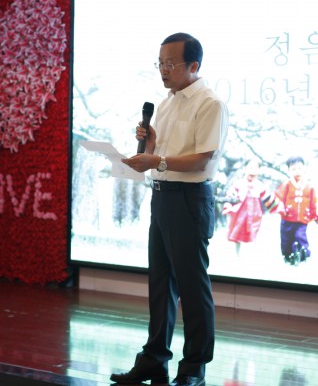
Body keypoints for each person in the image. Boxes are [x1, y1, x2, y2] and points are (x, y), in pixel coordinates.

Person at [116, 33, 229, 386]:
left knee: (192, 288)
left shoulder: (210, 103)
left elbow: (202, 159)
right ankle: (154, 359)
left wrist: (156, 160)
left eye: (170, 64)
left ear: (193, 66)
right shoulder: (167, 102)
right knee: (161, 283)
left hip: (189, 199)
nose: (163, 70)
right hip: (163, 196)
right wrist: (150, 145)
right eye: (160, 63)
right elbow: (164, 154)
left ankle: (194, 368)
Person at [272, 156, 318, 265]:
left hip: (302, 219)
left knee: (300, 237)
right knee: (286, 240)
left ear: (304, 169)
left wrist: (316, 216)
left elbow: (313, 202)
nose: (297, 172)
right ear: (288, 171)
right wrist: (281, 208)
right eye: (293, 169)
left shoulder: (309, 187)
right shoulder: (286, 184)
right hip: (287, 219)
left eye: (299, 168)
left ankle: (304, 257)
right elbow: (278, 198)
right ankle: (288, 259)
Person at [221, 159, 273, 256]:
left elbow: (269, 199)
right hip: (239, 213)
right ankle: (237, 255)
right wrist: (228, 206)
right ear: (245, 169)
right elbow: (230, 196)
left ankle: (249, 255)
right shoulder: (238, 184)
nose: (253, 170)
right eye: (250, 167)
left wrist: (278, 209)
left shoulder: (260, 185)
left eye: (256, 168)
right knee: (237, 234)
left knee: (252, 234)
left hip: (254, 214)